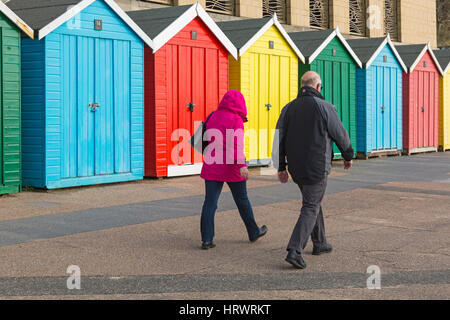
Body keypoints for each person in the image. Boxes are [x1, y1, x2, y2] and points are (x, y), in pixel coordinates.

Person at [272, 71, 354, 269]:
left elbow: (278, 139)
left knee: (312, 201)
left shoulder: (288, 108)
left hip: (296, 168)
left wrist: (281, 166)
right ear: (318, 87)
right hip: (317, 166)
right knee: (310, 206)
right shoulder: (325, 107)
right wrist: (348, 155)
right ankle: (295, 249)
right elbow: (339, 134)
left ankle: (320, 243)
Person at [199, 90, 268, 250]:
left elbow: (206, 138)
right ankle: (253, 232)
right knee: (242, 200)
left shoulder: (213, 115)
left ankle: (207, 239)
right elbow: (236, 145)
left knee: (210, 203)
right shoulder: (235, 119)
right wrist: (241, 165)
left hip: (213, 164)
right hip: (231, 166)